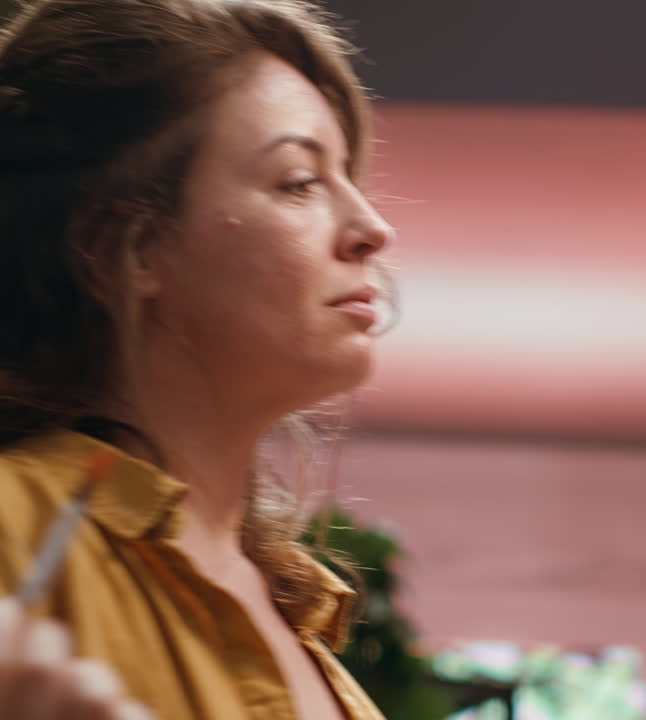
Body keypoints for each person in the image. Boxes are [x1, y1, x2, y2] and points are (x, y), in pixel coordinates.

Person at [0, 0, 395, 717]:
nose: (373, 228)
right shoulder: (14, 527)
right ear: (127, 249)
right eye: (299, 181)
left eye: (348, 177)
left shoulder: (291, 610)